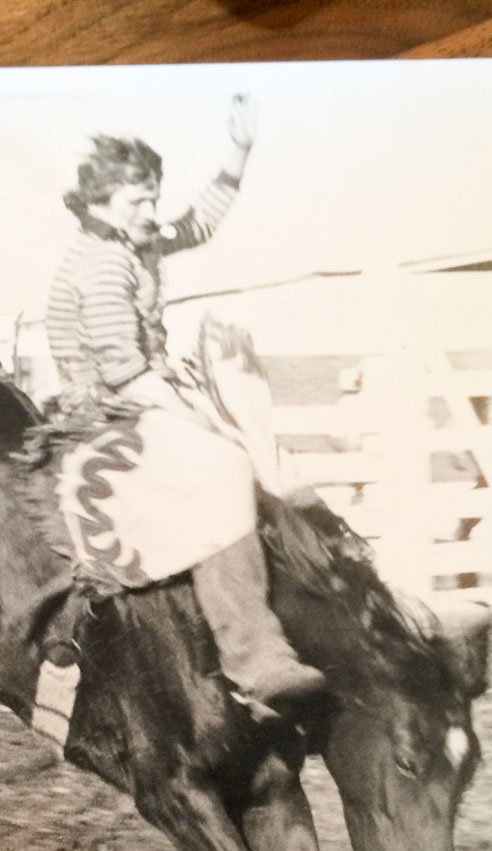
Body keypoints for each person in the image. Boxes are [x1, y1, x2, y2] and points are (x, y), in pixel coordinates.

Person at [46, 96, 324, 712]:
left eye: (152, 196)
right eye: (137, 200)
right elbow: (123, 368)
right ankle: (255, 661)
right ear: (98, 204)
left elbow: (197, 224)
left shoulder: (133, 243)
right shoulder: (101, 263)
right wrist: (199, 419)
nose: (152, 210)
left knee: (268, 452)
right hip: (107, 408)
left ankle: (333, 595)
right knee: (224, 464)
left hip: (146, 387)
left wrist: (238, 153)